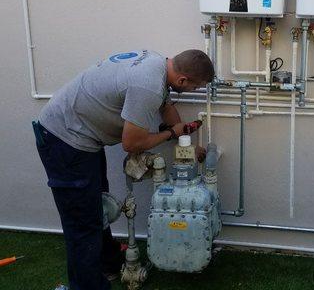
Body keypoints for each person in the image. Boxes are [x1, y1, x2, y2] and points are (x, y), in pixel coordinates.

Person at [32, 49, 214, 290]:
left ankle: (108, 263)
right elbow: (132, 143)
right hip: (64, 138)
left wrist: (187, 145)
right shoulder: (147, 86)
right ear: (182, 80)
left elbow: (168, 111)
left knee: (98, 204)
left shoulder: (157, 64)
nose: (193, 92)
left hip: (81, 138)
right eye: (194, 88)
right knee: (82, 222)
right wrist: (170, 134)